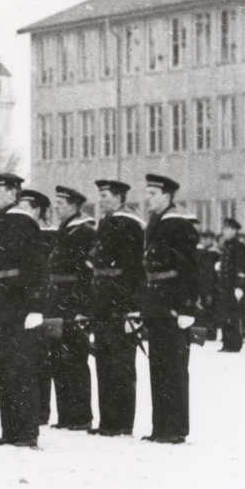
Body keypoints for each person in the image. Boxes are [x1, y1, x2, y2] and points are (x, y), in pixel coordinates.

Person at [0, 173, 46, 448]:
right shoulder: (2, 220)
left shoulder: (22, 221)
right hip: (1, 304)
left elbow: (35, 266)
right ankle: (10, 429)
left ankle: (26, 431)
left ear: (13, 193)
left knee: (20, 370)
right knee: (4, 369)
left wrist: (35, 306)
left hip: (18, 304)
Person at [140, 174, 198, 443]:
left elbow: (189, 268)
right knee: (159, 367)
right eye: (147, 192)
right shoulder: (156, 223)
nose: (148, 198)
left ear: (167, 197)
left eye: (153, 193)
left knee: (173, 369)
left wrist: (187, 307)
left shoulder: (178, 225)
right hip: (156, 302)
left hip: (173, 304)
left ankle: (175, 428)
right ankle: (160, 426)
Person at [87, 179, 145, 437]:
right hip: (102, 301)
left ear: (120, 198)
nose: (101, 200)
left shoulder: (130, 224)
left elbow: (134, 269)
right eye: (99, 195)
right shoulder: (105, 223)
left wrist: (132, 308)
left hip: (120, 303)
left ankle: (122, 422)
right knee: (104, 362)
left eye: (105, 195)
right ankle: (107, 420)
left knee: (121, 364)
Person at [45, 185, 96, 431]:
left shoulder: (84, 232)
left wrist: (83, 307)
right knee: (58, 360)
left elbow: (88, 275)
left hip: (72, 304)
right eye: (55, 203)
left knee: (75, 361)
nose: (56, 207)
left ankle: (81, 415)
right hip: (56, 304)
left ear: (75, 206)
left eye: (61, 203)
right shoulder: (64, 231)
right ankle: (65, 415)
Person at [19, 188, 56, 424]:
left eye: (25, 208)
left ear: (37, 211)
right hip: (24, 301)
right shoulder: (21, 232)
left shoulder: (48, 234)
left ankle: (42, 410)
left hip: (44, 301)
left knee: (42, 357)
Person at [216, 219, 245, 352]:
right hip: (224, 286)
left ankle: (235, 343)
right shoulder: (226, 245)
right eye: (224, 228)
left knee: (233, 316)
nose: (225, 231)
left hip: (232, 286)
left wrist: (239, 287)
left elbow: (241, 268)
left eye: (227, 229)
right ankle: (226, 342)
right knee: (225, 315)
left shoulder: (239, 246)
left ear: (234, 231)